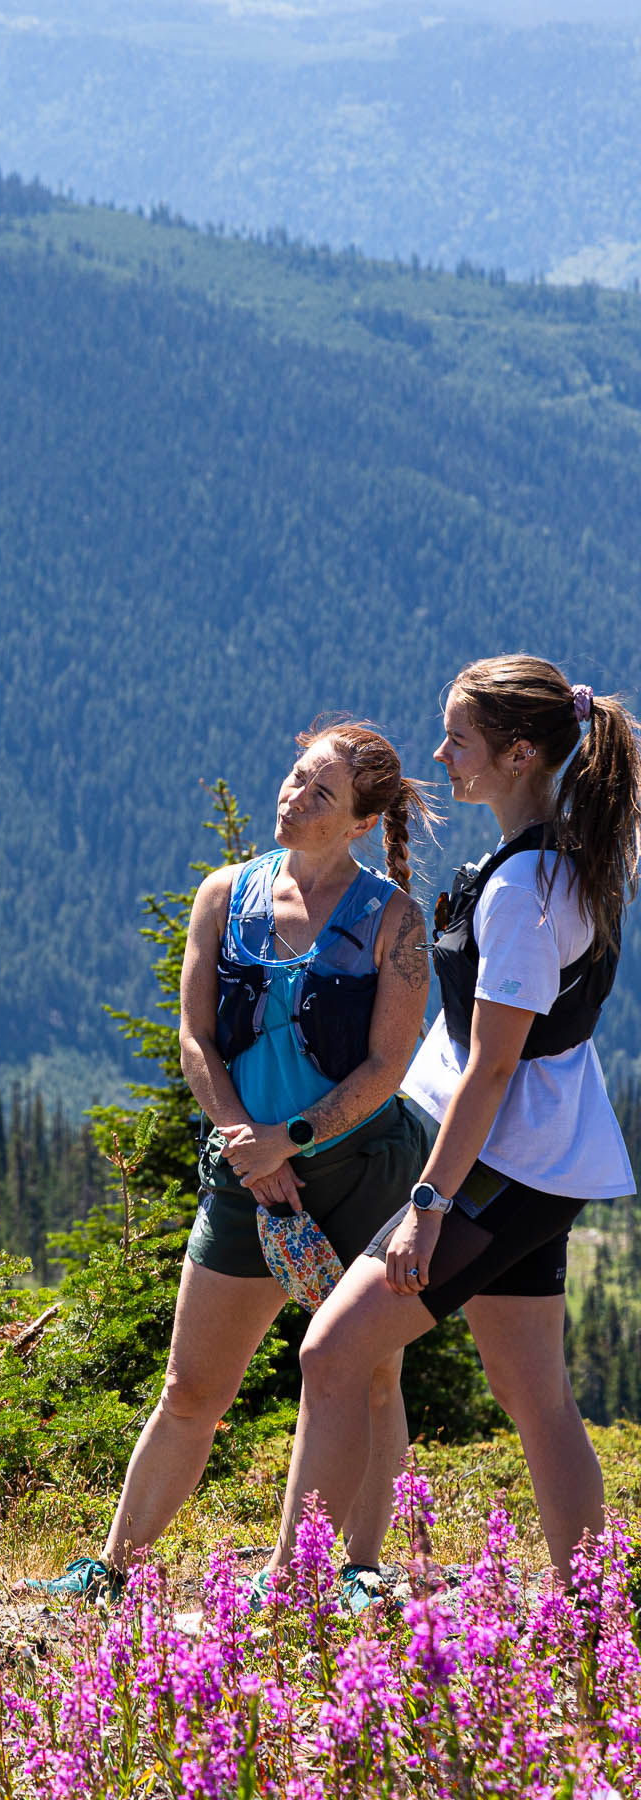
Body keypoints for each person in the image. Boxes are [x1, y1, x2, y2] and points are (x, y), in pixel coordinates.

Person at [32, 723, 434, 1607]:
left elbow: (388, 1068)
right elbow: (196, 1038)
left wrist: (288, 1136)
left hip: (361, 1169)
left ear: (362, 821)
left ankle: (357, 1570)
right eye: (295, 778)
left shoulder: (395, 922)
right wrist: (246, 1145)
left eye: (321, 792)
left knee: (370, 1377)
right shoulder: (226, 894)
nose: (294, 796)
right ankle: (114, 1566)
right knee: (191, 1387)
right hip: (245, 1175)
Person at [266, 657, 640, 1589]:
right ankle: (595, 1612)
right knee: (534, 1392)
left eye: (458, 739)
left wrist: (430, 1202)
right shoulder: (571, 858)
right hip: (547, 1157)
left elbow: (495, 1065)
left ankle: (292, 1596)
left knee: (333, 1349)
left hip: (499, 1166)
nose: (439, 754)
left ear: (518, 753)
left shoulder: (521, 892)